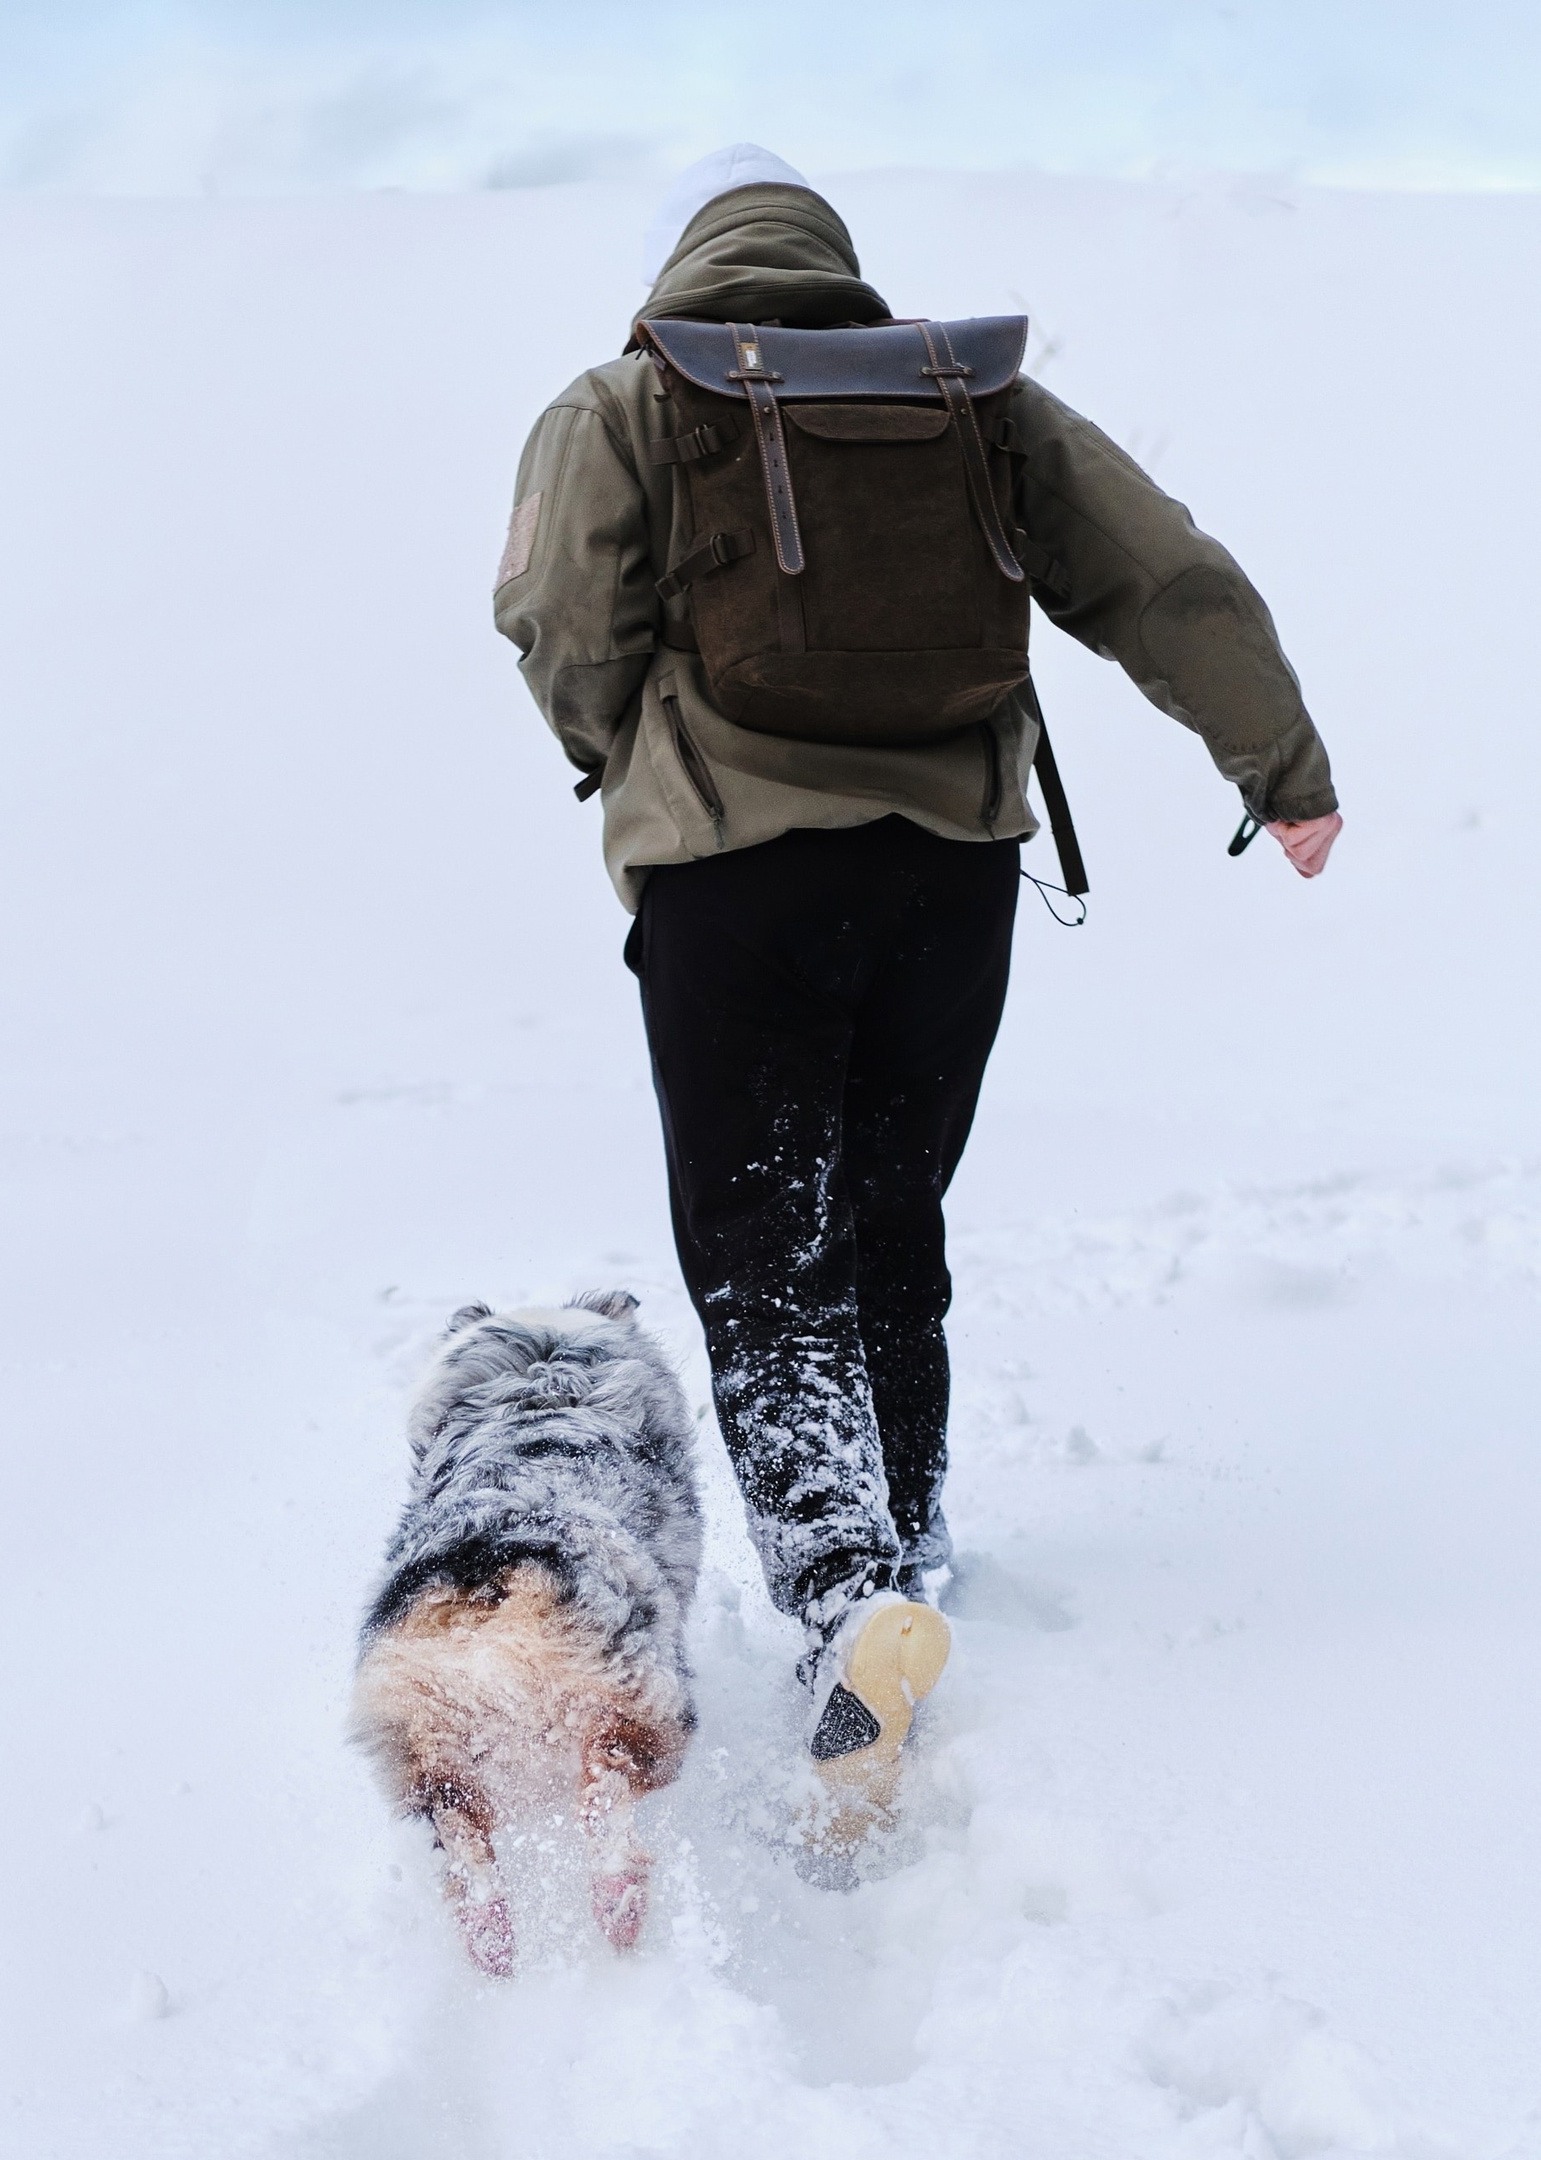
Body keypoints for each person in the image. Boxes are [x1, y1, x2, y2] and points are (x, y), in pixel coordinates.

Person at [493, 146, 1340, 1824]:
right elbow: (1158, 573)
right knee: (890, 1213)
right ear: (835, 263)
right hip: (950, 875)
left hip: (729, 875)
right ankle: (912, 1547)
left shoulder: (626, 398)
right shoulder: (968, 398)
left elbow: (556, 616)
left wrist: (624, 759)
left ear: (691, 259)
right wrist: (1280, 764)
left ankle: (837, 1598)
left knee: (760, 1245)